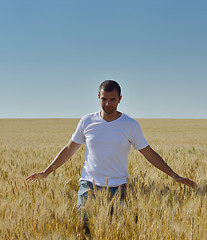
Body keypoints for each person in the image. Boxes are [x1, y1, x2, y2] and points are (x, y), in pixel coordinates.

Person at [25, 80, 195, 233]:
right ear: (98, 97)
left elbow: (148, 153)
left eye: (112, 99)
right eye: (104, 99)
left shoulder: (130, 124)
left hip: (117, 188)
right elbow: (69, 149)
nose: (108, 103)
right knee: (84, 230)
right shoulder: (87, 121)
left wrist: (175, 175)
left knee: (115, 232)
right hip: (88, 186)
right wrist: (46, 172)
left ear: (120, 99)